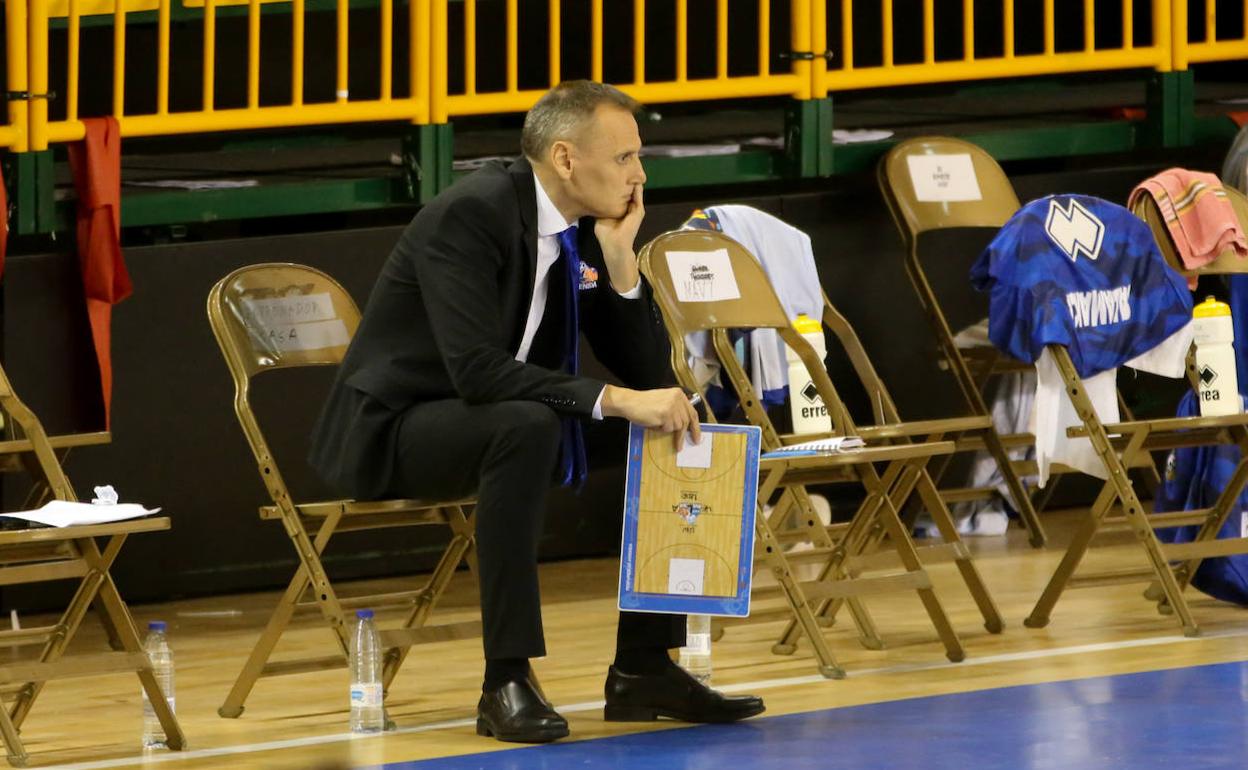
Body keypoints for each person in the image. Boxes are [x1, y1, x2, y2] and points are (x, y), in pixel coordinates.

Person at [309, 80, 764, 744]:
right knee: (527, 425)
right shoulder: (471, 215)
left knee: (676, 426)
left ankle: (645, 665)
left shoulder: (584, 229)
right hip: (398, 429)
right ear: (565, 158)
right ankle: (506, 680)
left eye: (640, 156)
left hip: (501, 418)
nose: (640, 175)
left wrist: (619, 266)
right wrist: (614, 402)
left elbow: (644, 373)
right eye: (625, 158)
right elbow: (477, 372)